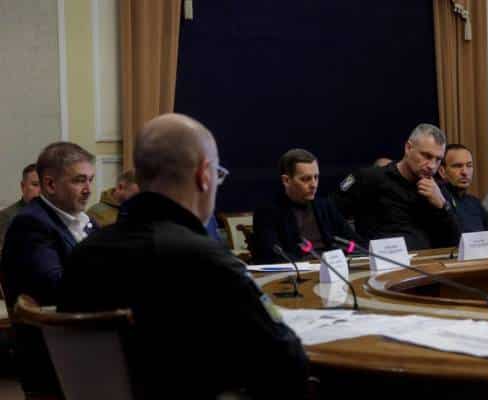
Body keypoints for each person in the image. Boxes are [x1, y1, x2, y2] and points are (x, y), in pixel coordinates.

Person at [59, 114, 309, 399]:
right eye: (218, 175)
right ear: (204, 176)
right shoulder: (206, 260)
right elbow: (287, 362)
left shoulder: (83, 254)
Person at [0, 142, 97, 397]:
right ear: (51, 184)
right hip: (53, 355)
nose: (88, 189)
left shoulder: (85, 220)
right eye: (79, 180)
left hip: (80, 342)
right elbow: (55, 287)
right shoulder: (31, 224)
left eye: (90, 180)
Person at [333, 123, 460, 250]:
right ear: (408, 148)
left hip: (427, 260)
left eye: (438, 159)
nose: (432, 166)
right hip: (380, 259)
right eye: (427, 156)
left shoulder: (437, 190)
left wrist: (442, 205)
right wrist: (356, 249)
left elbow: (455, 242)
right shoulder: (369, 178)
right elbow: (331, 215)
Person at [253, 148, 362, 264]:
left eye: (316, 177)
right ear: (286, 180)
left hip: (333, 267)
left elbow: (356, 243)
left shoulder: (325, 206)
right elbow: (272, 255)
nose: (313, 184)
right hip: (299, 271)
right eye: (305, 179)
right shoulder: (268, 211)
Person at [438, 144, 488, 243]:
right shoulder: (438, 199)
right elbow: (456, 237)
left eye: (469, 166)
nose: (465, 172)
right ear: (442, 171)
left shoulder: (473, 202)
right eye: (457, 166)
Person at [0, 163, 40, 252]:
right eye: (35, 184)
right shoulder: (8, 216)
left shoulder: (54, 213)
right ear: (23, 186)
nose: (40, 190)